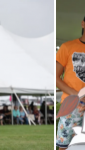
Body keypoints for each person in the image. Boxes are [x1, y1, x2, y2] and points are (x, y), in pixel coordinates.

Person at [56, 16, 85, 150]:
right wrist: (76, 94)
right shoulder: (67, 47)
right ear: (83, 23)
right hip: (71, 105)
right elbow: (55, 78)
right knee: (65, 146)